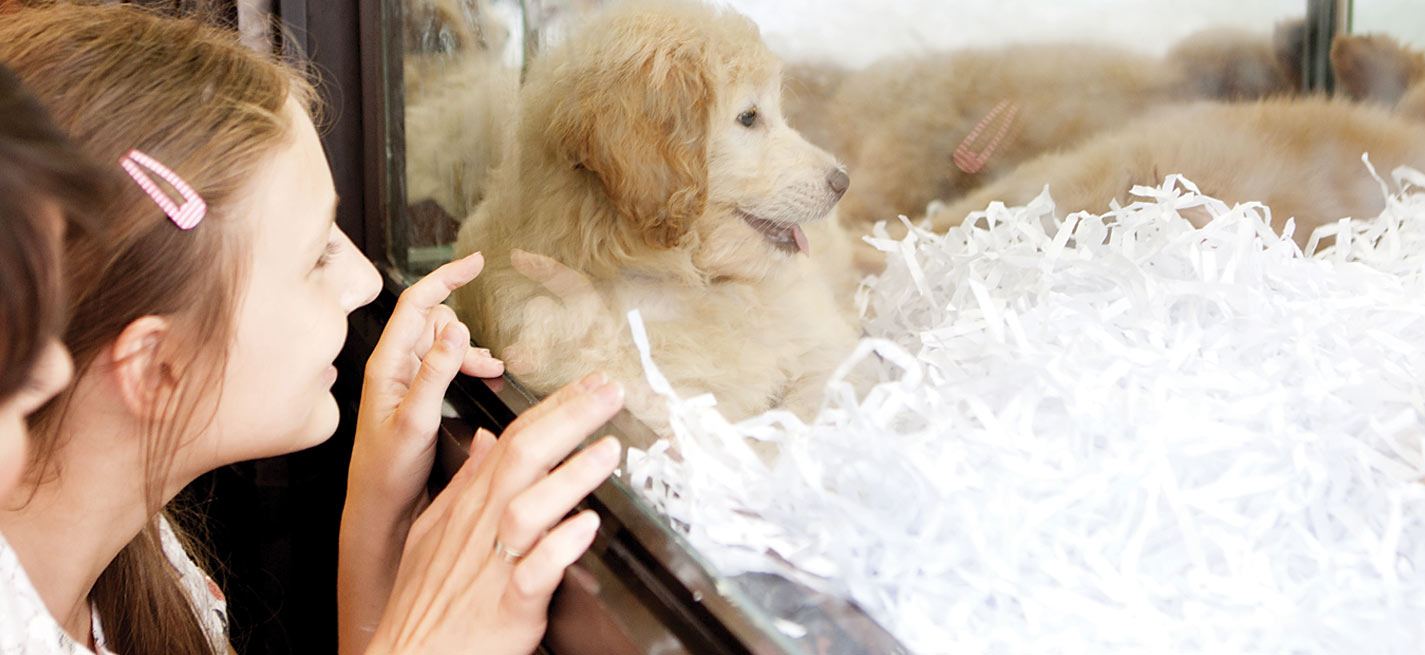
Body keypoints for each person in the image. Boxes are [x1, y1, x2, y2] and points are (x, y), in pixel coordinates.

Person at [0, 4, 624, 655]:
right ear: (158, 368)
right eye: (317, 254)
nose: (367, 281)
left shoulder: (126, 552)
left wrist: (376, 518)